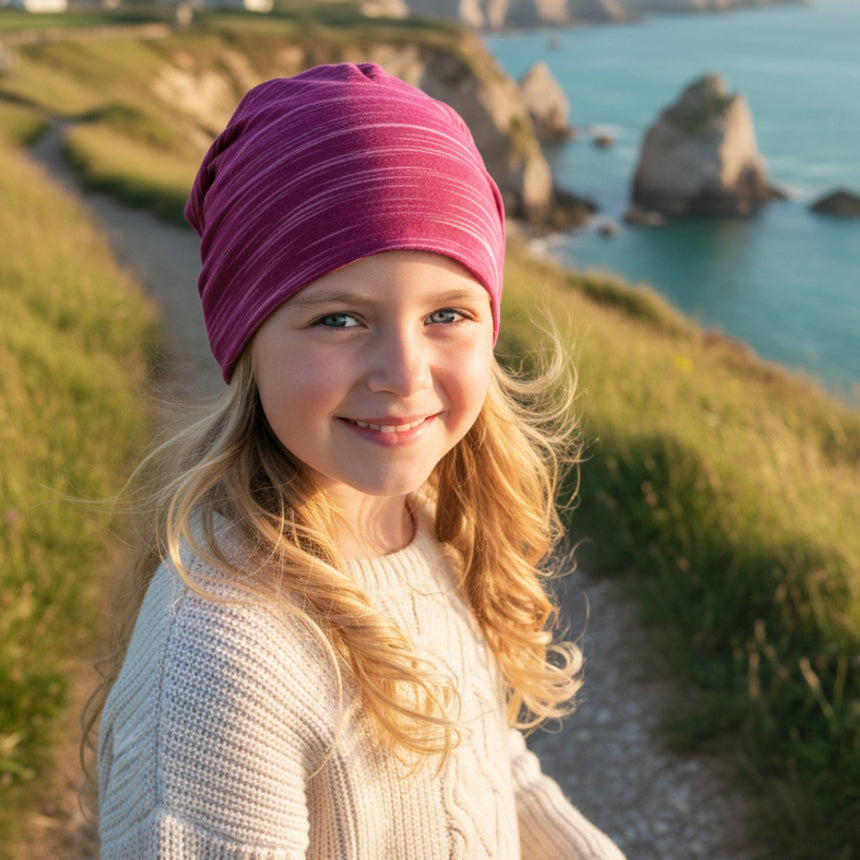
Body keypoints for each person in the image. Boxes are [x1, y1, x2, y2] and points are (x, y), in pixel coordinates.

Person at [92, 63, 625, 858]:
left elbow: (484, 767)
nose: (404, 375)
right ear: (246, 341)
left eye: (447, 313)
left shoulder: (427, 522)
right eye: (339, 318)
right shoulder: (220, 656)